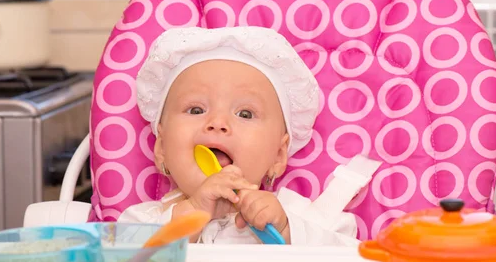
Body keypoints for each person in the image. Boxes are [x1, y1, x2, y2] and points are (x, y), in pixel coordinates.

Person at [118, 26, 381, 245]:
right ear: (161, 147)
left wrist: (289, 231)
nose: (217, 123)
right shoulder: (141, 222)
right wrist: (189, 217)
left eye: (245, 114)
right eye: (196, 109)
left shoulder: (301, 215)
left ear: (279, 154)